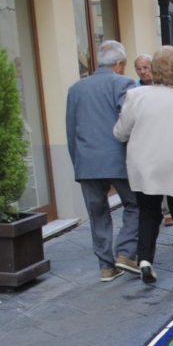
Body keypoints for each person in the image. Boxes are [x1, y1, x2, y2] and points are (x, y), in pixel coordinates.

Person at [113, 45, 173, 288]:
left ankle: (145, 259)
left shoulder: (135, 96)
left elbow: (120, 132)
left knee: (147, 213)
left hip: (144, 167)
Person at [65, 40, 140, 282]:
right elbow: (128, 122)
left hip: (87, 161)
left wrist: (77, 161)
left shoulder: (76, 89)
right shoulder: (123, 83)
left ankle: (106, 267)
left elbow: (70, 129)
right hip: (118, 158)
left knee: (97, 212)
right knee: (135, 204)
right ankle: (126, 252)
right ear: (119, 64)